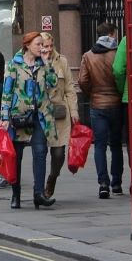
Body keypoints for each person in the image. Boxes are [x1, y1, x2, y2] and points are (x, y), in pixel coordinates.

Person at [0, 32, 57, 209]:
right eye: (38, 44)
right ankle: (15, 195)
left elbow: (53, 83)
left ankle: (38, 194)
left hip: (40, 115)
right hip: (19, 116)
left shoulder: (43, 64)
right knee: (16, 157)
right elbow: (7, 92)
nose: (42, 48)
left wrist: (47, 63)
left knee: (40, 153)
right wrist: (4, 117)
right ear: (27, 45)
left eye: (44, 45)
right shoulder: (13, 65)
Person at [79, 23, 123, 199]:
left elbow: (82, 81)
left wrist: (92, 93)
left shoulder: (88, 56)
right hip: (116, 104)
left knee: (99, 145)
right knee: (116, 145)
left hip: (97, 105)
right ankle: (117, 183)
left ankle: (103, 184)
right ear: (112, 34)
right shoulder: (117, 53)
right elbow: (122, 73)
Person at [41, 32, 77, 201]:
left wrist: (74, 112)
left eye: (50, 46)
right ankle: (38, 188)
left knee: (58, 154)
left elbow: (70, 89)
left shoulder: (62, 61)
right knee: (39, 151)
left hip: (60, 114)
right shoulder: (34, 61)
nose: (48, 49)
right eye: (44, 46)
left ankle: (52, 178)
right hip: (41, 113)